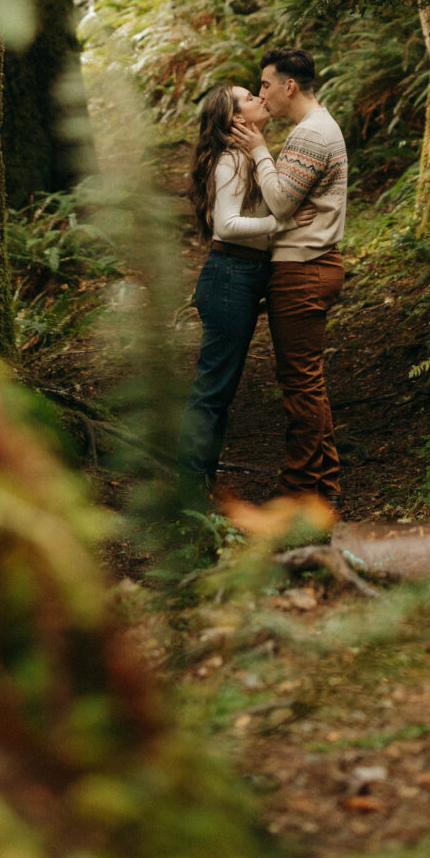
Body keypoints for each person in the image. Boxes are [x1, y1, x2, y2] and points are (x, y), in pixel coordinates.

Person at [235, 47, 348, 512]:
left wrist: (260, 152)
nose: (260, 92)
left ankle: (300, 491)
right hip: (309, 264)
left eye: (264, 84)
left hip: (303, 269)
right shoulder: (315, 129)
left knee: (300, 384)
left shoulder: (310, 136)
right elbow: (285, 203)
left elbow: (280, 203)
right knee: (308, 381)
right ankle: (323, 484)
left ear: (289, 86)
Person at [175, 80, 278, 499]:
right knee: (213, 389)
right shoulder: (231, 161)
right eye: (249, 97)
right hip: (229, 276)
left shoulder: (244, 156)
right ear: (236, 118)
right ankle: (189, 490)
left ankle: (199, 484)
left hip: (238, 277)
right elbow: (228, 226)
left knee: (220, 388)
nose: (259, 98)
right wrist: (282, 224)